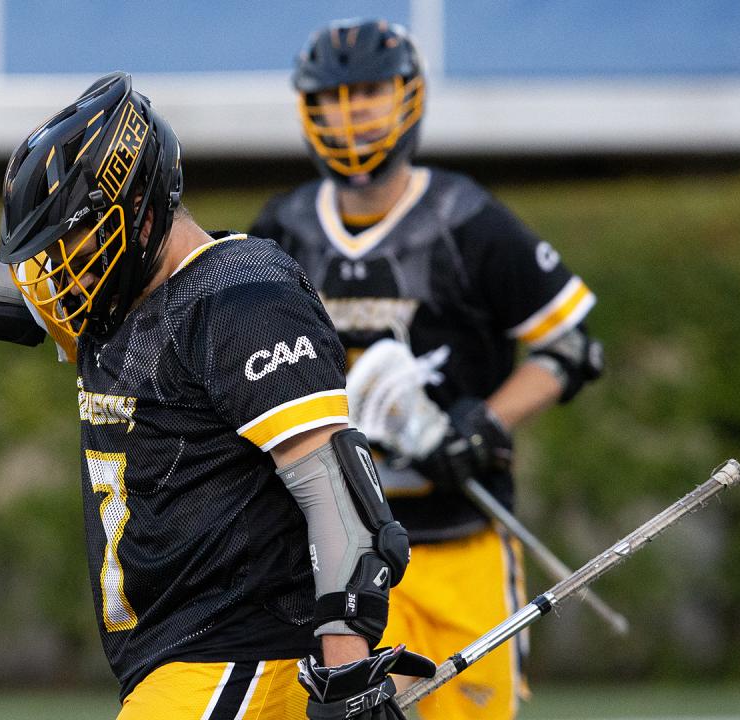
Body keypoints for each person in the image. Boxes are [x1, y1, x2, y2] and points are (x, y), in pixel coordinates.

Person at [0, 22, 435, 720]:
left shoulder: (243, 298)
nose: (58, 262)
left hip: (243, 660)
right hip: (177, 664)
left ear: (132, 204)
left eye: (72, 234)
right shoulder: (115, 297)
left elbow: (338, 493)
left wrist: (346, 669)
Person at [250, 19, 604, 720]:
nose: (351, 116)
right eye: (333, 98)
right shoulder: (282, 230)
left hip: (458, 538)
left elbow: (572, 346)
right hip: (333, 555)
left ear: (409, 97)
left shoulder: (466, 221)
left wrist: (485, 423)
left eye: (369, 94)